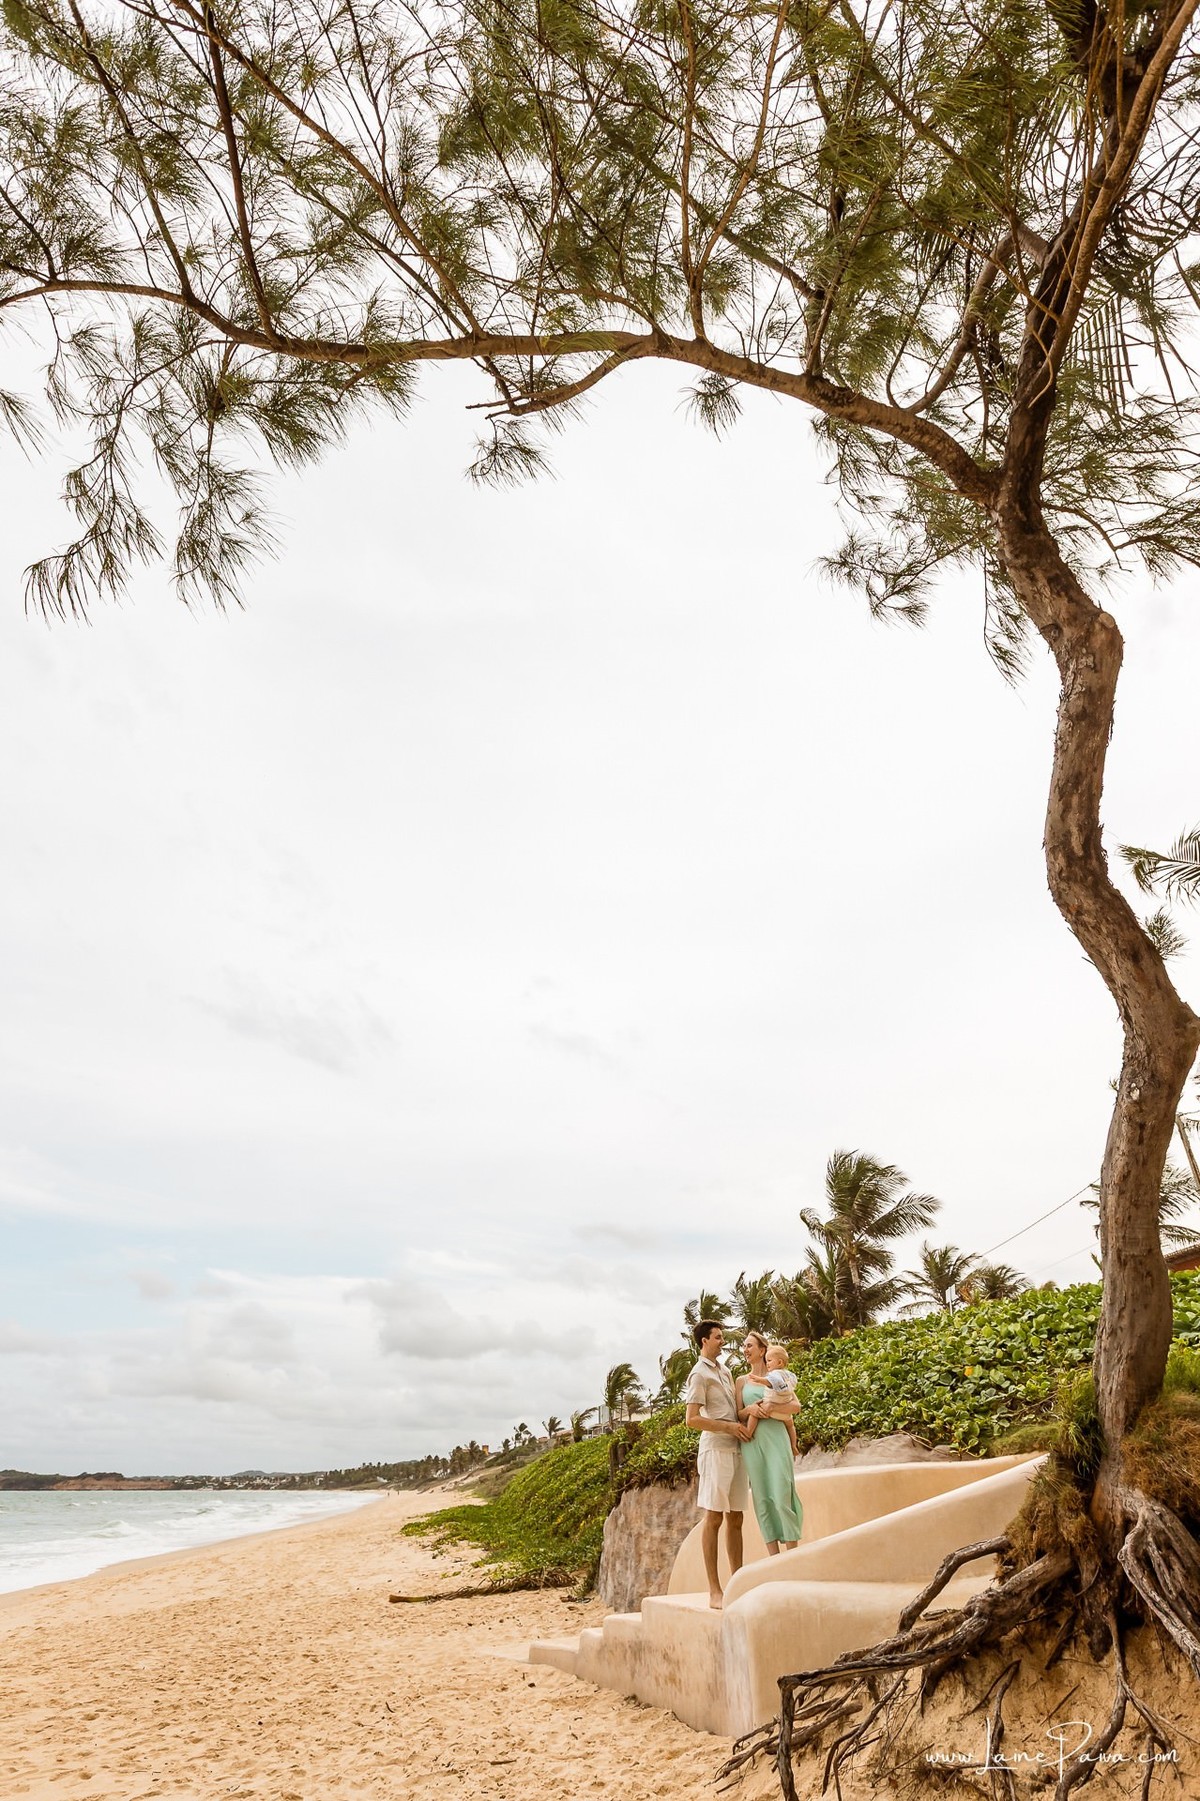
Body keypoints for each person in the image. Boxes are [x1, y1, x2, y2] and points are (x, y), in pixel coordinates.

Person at [683, 1319, 751, 1609]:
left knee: (736, 1517)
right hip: (715, 1452)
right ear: (704, 1341)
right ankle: (714, 1589)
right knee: (714, 1518)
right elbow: (692, 1419)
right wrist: (727, 1428)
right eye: (718, 1337)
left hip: (737, 1449)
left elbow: (735, 1411)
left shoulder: (725, 1371)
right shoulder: (698, 1374)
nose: (723, 1341)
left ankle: (738, 1582)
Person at [736, 1330, 804, 1555]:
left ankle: (792, 1552)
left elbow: (795, 1407)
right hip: (752, 1443)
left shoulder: (780, 1377)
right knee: (762, 1497)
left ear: (762, 1350)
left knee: (781, 1490)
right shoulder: (741, 1381)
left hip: (776, 1438)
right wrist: (751, 1409)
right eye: (744, 1346)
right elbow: (738, 1414)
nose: (745, 1350)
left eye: (749, 1346)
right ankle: (773, 1556)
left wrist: (773, 1407)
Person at [741, 1342, 799, 1459]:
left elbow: (797, 1407)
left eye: (770, 1360)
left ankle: (748, 1432)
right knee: (790, 1425)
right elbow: (740, 1414)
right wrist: (748, 1409)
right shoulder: (788, 1375)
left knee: (755, 1412)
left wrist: (759, 1379)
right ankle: (794, 1445)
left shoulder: (774, 1375)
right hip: (784, 1414)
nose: (767, 1363)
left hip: (771, 1413)